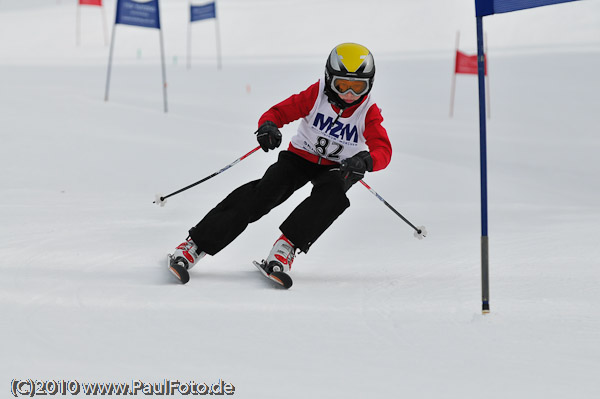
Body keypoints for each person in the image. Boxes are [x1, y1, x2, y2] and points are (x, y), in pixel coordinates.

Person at [171, 42, 392, 277]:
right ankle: (195, 245)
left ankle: (286, 247)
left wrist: (365, 161)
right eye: (342, 85)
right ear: (329, 79)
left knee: (333, 196)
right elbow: (278, 113)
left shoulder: (368, 111)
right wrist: (268, 127)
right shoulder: (316, 95)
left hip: (338, 167)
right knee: (264, 194)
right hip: (299, 157)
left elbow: (383, 149)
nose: (349, 94)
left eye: (358, 87)